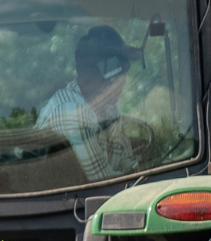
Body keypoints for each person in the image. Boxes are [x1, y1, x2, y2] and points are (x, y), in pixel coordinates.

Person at [37, 25, 141, 180]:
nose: (123, 81)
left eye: (123, 72)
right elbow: (104, 182)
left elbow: (126, 162)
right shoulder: (70, 112)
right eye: (117, 74)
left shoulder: (110, 108)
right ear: (88, 76)